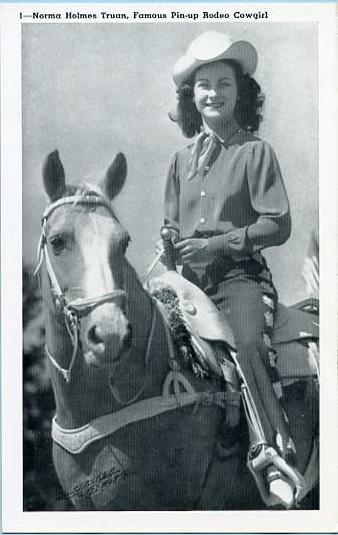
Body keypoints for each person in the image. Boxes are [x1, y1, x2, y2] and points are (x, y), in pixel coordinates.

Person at [162, 31, 304, 508]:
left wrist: (219, 245)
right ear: (191, 97)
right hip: (186, 284)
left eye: (224, 83)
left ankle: (272, 452)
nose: (214, 93)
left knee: (244, 344)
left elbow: (277, 224)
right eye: (204, 85)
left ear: (241, 93)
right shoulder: (179, 162)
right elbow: (170, 223)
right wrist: (170, 244)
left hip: (239, 279)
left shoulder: (255, 152)